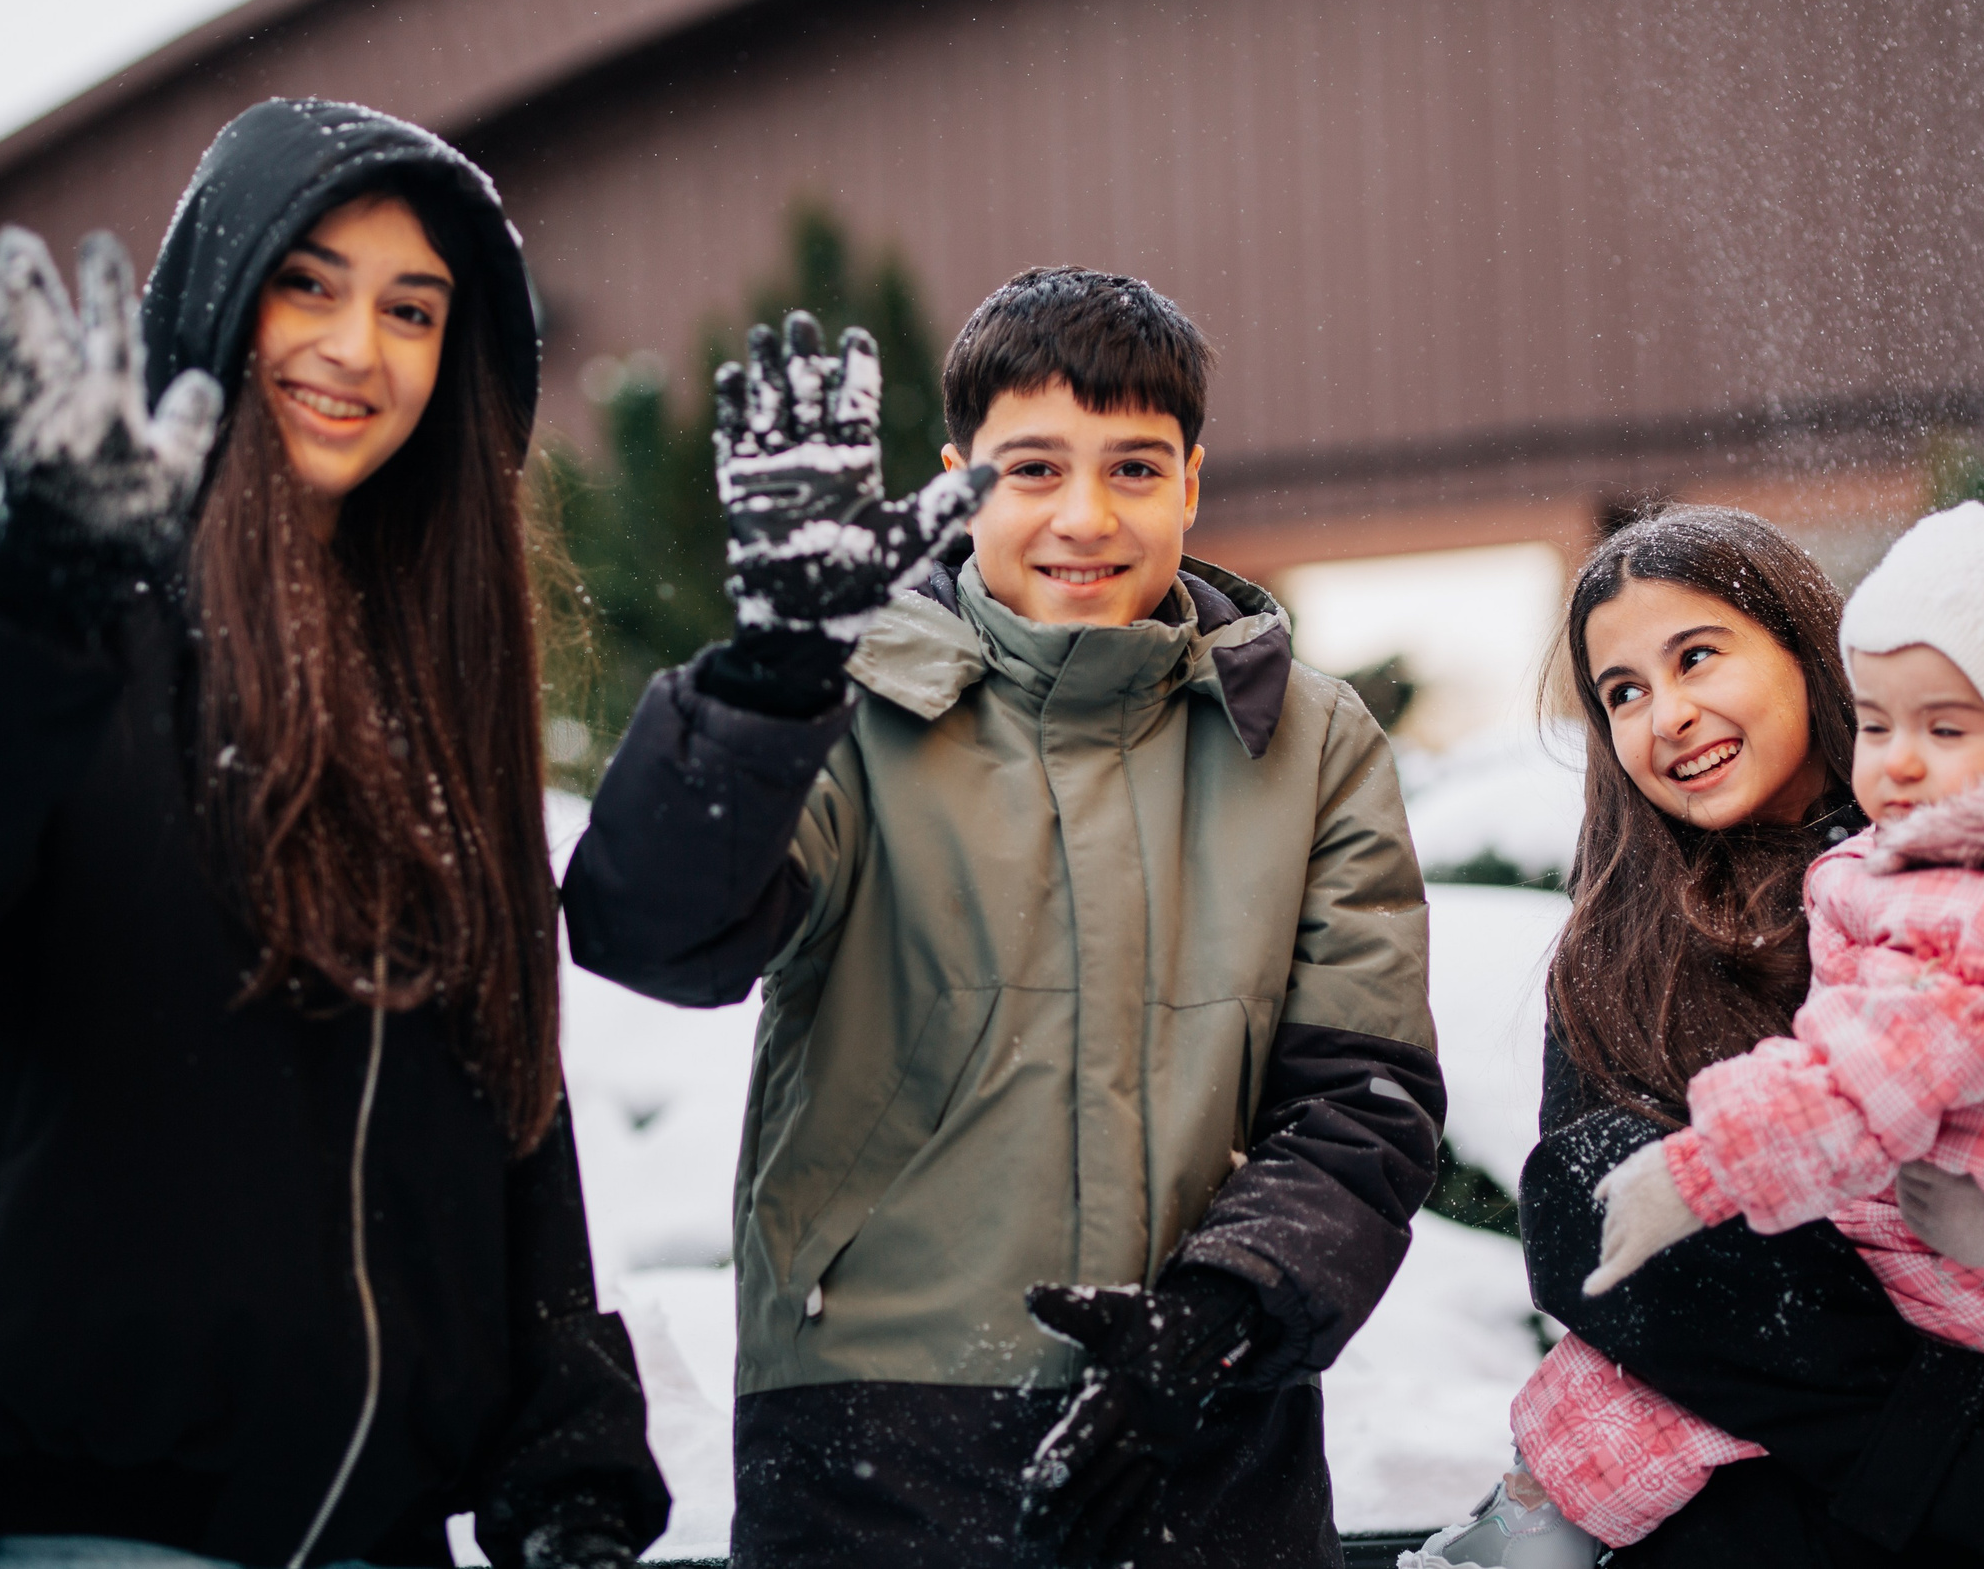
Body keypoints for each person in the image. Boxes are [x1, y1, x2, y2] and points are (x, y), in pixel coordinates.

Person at [0, 99, 668, 1569]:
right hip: (74, 1528)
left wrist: (565, 1456)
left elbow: (510, 1115)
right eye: (306, 282)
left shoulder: (433, 702)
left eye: (412, 308)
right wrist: (22, 580)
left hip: (376, 1541)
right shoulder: (58, 636)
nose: (356, 347)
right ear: (212, 297)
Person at [562, 267, 1443, 1568]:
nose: (1085, 514)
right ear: (957, 475)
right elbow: (657, 933)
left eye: (1135, 468)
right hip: (874, 1437)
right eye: (1034, 467)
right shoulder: (844, 703)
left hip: (1206, 1435)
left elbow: (1364, 1096)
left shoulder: (1314, 742)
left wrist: (1215, 1318)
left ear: (1192, 482)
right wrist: (762, 680)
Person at [1410, 505, 1984, 1569]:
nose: (1665, 715)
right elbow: (1597, 1246)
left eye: (1696, 657)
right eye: (1622, 692)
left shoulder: (1982, 876)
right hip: (1779, 1516)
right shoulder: (1621, 956)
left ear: (1805, 647)